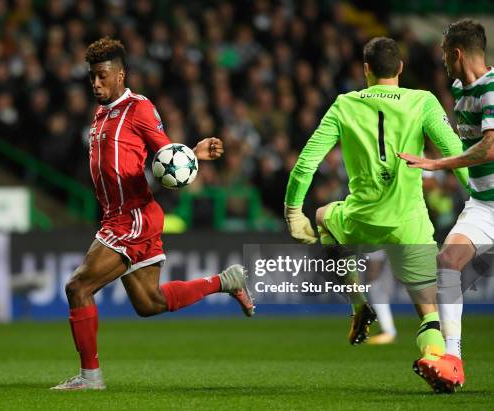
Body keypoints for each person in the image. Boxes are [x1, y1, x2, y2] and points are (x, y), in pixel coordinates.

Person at [51, 38, 255, 391]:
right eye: (92, 78)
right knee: (149, 303)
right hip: (118, 216)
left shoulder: (138, 108)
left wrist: (192, 153)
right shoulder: (102, 112)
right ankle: (225, 281)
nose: (96, 84)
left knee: (78, 287)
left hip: (131, 217)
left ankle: (90, 378)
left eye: (102, 76)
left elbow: (166, 157)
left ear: (120, 75)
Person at [284, 37, 469, 391]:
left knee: (323, 216)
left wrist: (293, 211)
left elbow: (306, 162)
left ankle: (357, 303)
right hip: (409, 222)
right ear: (399, 68)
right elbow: (455, 153)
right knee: (429, 313)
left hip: (361, 219)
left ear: (365, 69)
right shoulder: (422, 101)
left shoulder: (344, 105)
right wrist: (481, 198)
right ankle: (434, 359)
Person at [398, 19, 494, 391]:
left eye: (443, 54)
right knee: (447, 264)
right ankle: (452, 360)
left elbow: (489, 147)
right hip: (484, 205)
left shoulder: (491, 90)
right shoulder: (458, 88)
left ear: (456, 54)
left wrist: (438, 164)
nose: (441, 61)